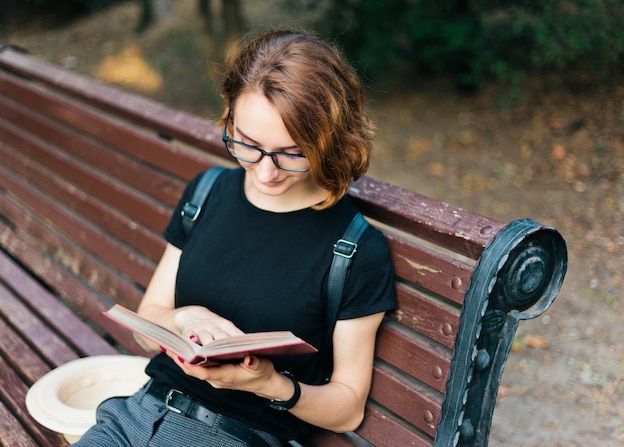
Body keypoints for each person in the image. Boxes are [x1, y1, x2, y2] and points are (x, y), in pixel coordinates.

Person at [74, 28, 396, 447]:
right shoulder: (207, 192)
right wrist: (180, 319)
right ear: (229, 116)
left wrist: (270, 384)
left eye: (293, 152)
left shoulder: (354, 249)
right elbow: (146, 322)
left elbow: (348, 406)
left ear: (329, 141)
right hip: (135, 416)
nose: (266, 172)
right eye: (247, 144)